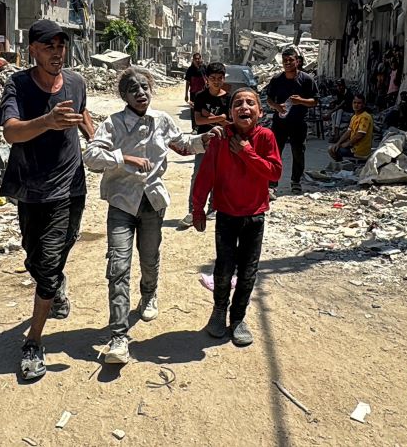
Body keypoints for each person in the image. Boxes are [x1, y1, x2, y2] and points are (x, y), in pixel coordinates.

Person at [84, 67, 219, 364]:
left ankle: (149, 294)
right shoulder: (114, 124)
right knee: (118, 265)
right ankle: (119, 337)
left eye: (144, 87)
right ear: (123, 96)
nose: (140, 93)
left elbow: (182, 145)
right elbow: (91, 156)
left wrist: (203, 138)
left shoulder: (161, 121)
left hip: (153, 203)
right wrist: (122, 157)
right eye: (133, 89)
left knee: (149, 257)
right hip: (121, 203)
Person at [0, 20, 95, 381]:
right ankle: (55, 282)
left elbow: (83, 116)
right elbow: (10, 132)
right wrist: (48, 121)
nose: (57, 52)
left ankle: (33, 342)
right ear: (33, 50)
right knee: (34, 258)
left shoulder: (76, 82)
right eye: (48, 46)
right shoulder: (18, 85)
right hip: (32, 188)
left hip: (70, 186)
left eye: (61, 45)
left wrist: (98, 141)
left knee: (51, 260)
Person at [191, 88, 282, 347]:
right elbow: (206, 175)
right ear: (230, 113)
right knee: (224, 268)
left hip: (254, 217)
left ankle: (238, 318)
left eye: (250, 103)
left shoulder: (266, 137)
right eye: (238, 103)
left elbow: (274, 173)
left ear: (260, 112)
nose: (244, 107)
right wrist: (198, 208)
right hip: (227, 216)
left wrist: (246, 152)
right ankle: (219, 311)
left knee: (248, 272)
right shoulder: (220, 138)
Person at [183, 62, 230, 226]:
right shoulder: (201, 96)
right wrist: (219, 118)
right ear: (207, 79)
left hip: (222, 143)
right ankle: (193, 210)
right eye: (213, 78)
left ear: (223, 79)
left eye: (219, 78)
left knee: (219, 177)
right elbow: (198, 120)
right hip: (203, 141)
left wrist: (209, 116)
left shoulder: (228, 98)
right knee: (198, 176)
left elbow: (230, 123)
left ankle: (213, 208)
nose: (216, 81)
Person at [266, 47, 317, 195]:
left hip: (298, 123)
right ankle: (272, 184)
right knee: (275, 154)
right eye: (285, 60)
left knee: (298, 153)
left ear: (297, 61)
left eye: (291, 60)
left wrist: (301, 101)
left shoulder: (307, 80)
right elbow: (269, 99)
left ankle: (296, 182)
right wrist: (276, 107)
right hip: (280, 123)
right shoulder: (276, 79)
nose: (287, 63)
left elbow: (315, 101)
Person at [328, 93, 373, 161]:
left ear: (363, 105)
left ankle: (342, 165)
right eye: (354, 102)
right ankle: (343, 165)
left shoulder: (365, 117)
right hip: (354, 147)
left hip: (359, 151)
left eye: (359, 103)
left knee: (331, 149)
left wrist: (347, 144)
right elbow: (348, 132)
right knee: (335, 147)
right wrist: (338, 143)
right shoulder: (354, 117)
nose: (356, 105)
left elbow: (359, 136)